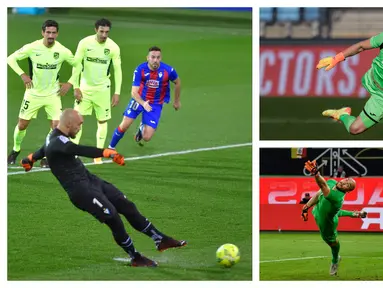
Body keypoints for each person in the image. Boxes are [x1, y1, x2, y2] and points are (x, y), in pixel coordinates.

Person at [20, 108, 187, 267]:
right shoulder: (59, 142)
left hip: (90, 180)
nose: (80, 128)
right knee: (113, 217)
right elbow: (78, 149)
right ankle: (135, 257)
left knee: (126, 206)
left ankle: (160, 239)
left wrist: (30, 158)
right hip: (81, 192)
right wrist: (108, 153)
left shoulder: (54, 137)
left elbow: (43, 150)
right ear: (69, 124)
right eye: (79, 124)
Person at [7, 19, 82, 167]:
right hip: (33, 93)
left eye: (54, 33)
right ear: (43, 32)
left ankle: (47, 155)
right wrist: (22, 74)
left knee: (56, 127)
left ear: (57, 34)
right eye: (48, 32)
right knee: (22, 125)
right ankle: (15, 150)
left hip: (53, 94)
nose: (51, 35)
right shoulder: (32, 47)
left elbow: (78, 65)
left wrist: (70, 83)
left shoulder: (62, 51)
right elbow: (10, 59)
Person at [71, 18, 122, 164]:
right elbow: (76, 65)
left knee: (102, 120)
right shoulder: (85, 43)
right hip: (84, 88)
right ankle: (74, 153)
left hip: (103, 90)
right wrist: (75, 86)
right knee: (77, 120)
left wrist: (117, 92)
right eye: (102, 31)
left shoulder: (113, 47)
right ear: (96, 30)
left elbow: (117, 71)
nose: (104, 35)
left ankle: (98, 154)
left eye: (107, 32)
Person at [108, 46, 181, 149]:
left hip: (155, 104)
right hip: (139, 99)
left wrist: (177, 101)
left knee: (146, 137)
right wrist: (143, 103)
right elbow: (134, 92)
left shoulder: (168, 70)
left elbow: (178, 82)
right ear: (147, 58)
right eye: (153, 57)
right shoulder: (140, 70)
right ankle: (111, 147)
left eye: (158, 57)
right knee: (125, 125)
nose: (155, 60)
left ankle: (142, 127)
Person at [303, 160, 367, 276]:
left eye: (348, 185)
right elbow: (318, 194)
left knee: (333, 243)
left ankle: (335, 260)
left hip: (328, 224)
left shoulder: (337, 198)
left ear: (347, 190)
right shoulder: (332, 182)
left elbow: (322, 185)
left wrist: (316, 173)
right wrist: (306, 206)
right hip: (319, 212)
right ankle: (358, 214)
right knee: (335, 213)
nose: (344, 182)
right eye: (346, 180)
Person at [317, 32, 383, 135]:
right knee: (354, 130)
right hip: (376, 87)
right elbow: (361, 46)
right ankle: (343, 114)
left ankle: (342, 114)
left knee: (356, 129)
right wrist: (337, 58)